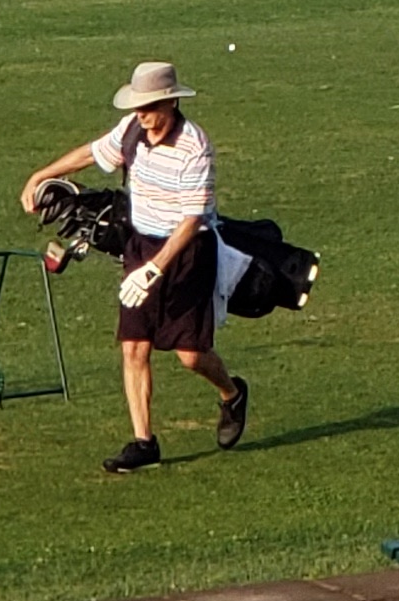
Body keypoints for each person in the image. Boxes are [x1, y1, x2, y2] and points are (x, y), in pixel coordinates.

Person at [23, 59, 246, 473]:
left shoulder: (195, 147)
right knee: (134, 346)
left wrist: (154, 270)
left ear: (171, 104)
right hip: (140, 244)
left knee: (191, 355)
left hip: (186, 253)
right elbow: (92, 153)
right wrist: (41, 174)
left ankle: (232, 395)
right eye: (137, 108)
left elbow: (191, 220)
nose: (141, 117)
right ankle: (144, 443)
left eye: (149, 108)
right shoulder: (131, 131)